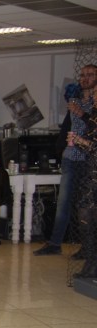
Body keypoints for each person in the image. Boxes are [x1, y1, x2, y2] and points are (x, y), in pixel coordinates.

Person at [34, 64, 96, 256]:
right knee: (63, 203)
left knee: (85, 206)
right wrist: (61, 149)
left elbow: (93, 127)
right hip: (70, 157)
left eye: (90, 74)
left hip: (89, 159)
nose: (85, 78)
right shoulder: (74, 100)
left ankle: (87, 248)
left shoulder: (94, 103)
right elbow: (67, 127)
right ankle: (55, 244)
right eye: (83, 75)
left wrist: (82, 114)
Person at [67, 109, 97, 278]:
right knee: (85, 218)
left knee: (88, 216)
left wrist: (82, 142)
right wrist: (77, 142)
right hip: (90, 176)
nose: (94, 97)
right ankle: (91, 262)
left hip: (93, 178)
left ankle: (92, 264)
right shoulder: (93, 116)